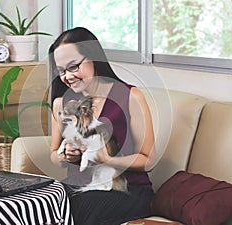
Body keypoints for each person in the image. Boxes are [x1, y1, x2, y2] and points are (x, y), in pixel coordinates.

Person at [48, 27, 155, 225]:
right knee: (39, 202)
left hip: (126, 190)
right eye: (61, 71)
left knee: (77, 209)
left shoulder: (130, 96)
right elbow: (54, 154)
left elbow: (148, 160)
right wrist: (65, 156)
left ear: (93, 58)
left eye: (73, 67)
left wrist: (107, 159)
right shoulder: (61, 104)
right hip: (81, 186)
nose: (68, 76)